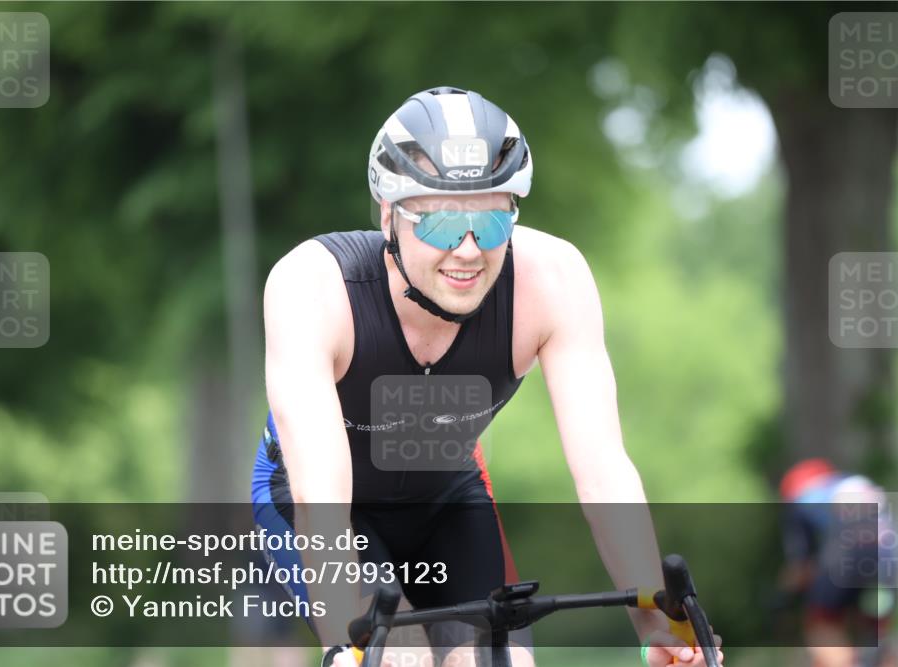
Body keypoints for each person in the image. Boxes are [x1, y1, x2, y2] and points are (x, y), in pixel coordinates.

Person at [253, 86, 723, 667]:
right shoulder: (312, 287)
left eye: (493, 222)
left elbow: (603, 473)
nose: (470, 250)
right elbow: (320, 497)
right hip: (321, 505)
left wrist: (658, 625)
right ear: (388, 216)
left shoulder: (551, 281)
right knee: (400, 658)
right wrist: (348, 641)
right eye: (443, 226)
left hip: (447, 495)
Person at [779, 458, 897, 667]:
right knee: (878, 630)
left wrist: (783, 594)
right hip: (889, 554)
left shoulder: (802, 498)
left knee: (821, 622)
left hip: (849, 555)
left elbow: (800, 568)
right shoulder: (856, 482)